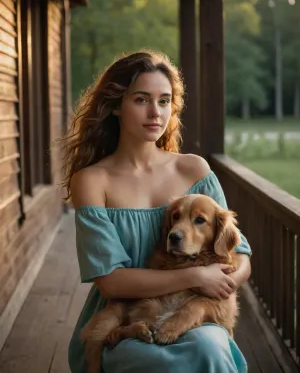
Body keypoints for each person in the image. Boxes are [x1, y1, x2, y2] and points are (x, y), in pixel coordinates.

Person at [63, 50, 251, 373]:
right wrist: (195, 275)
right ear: (116, 106)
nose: (155, 113)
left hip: (195, 315)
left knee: (209, 348)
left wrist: (214, 288)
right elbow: (111, 282)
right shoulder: (92, 181)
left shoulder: (193, 170)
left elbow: (241, 256)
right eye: (141, 100)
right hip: (126, 316)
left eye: (164, 101)